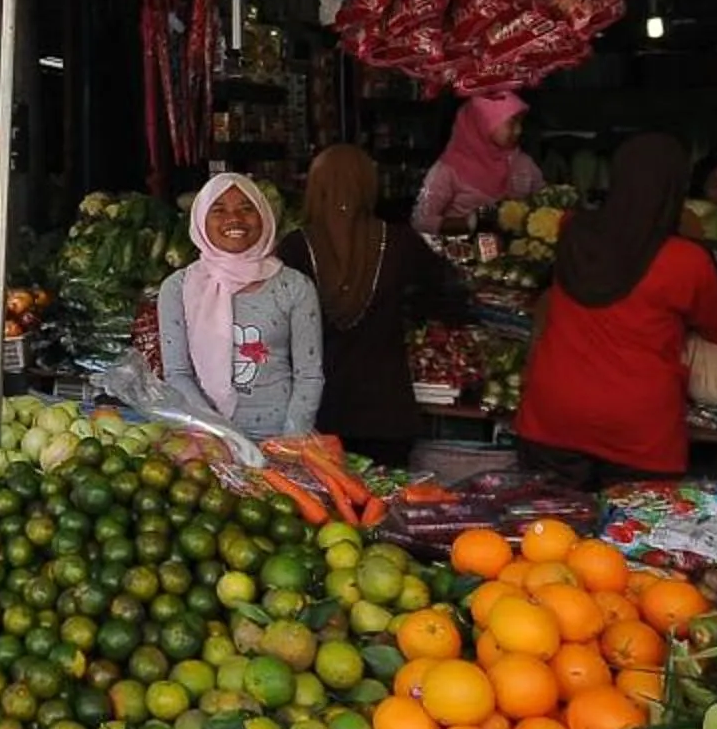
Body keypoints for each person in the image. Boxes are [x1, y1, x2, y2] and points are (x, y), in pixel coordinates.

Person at [515, 131, 717, 490]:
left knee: (549, 522)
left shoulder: (572, 230)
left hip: (553, 415)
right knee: (632, 526)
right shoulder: (688, 261)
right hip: (638, 431)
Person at [278, 145, 468, 467]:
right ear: (368, 185)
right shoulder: (399, 242)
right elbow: (452, 296)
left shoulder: (294, 248)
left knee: (325, 497)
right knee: (387, 495)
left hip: (318, 413)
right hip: (386, 411)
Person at [156, 173, 324, 440]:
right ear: (200, 220)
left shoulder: (294, 286)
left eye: (247, 209)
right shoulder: (178, 288)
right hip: (206, 440)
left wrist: (290, 443)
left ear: (264, 216)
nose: (234, 219)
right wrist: (221, 438)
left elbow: (309, 375)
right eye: (218, 210)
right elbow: (177, 374)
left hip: (278, 438)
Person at [413, 92, 545, 236]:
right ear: (484, 123)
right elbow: (421, 220)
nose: (519, 130)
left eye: (520, 123)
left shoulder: (523, 164)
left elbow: (544, 204)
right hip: (461, 248)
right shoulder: (448, 169)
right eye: (512, 123)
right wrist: (469, 224)